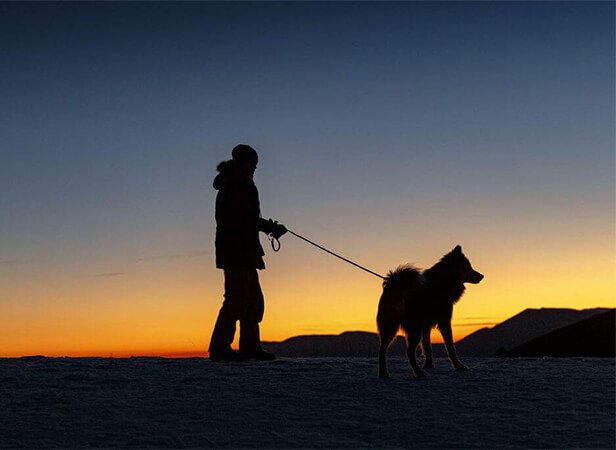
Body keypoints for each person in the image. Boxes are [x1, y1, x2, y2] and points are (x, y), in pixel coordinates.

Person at [208, 144, 287, 361]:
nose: (253, 167)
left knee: (253, 301)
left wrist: (266, 227)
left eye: (255, 164)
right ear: (239, 162)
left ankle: (250, 347)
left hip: (246, 249)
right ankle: (219, 349)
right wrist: (269, 227)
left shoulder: (242, 184)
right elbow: (242, 219)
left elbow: (247, 219)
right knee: (237, 299)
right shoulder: (234, 185)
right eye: (250, 163)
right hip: (235, 250)